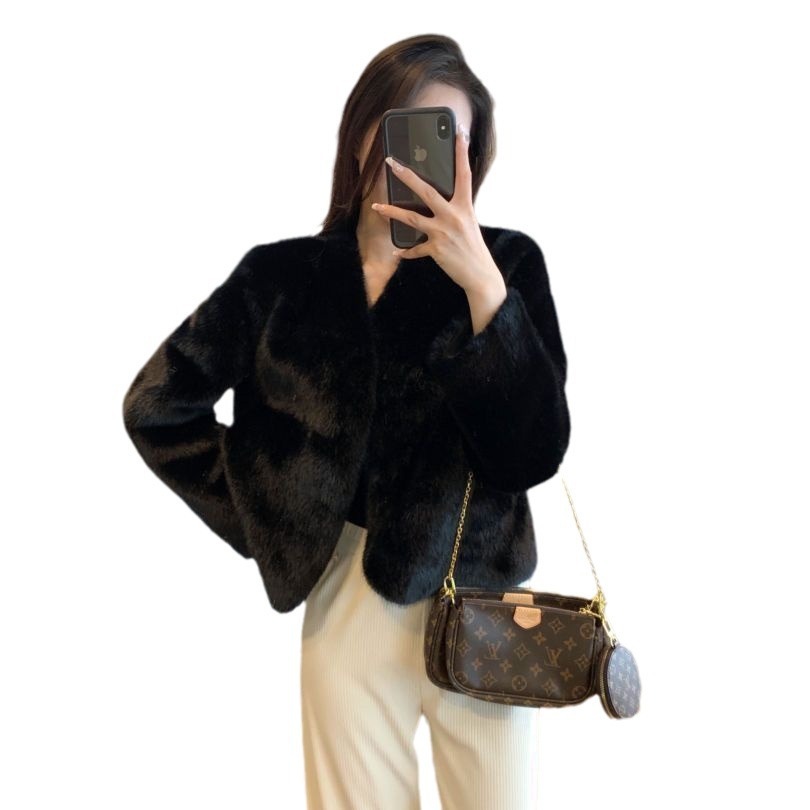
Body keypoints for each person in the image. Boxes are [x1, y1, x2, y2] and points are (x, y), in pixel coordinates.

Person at [123, 33, 570, 810]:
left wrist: (483, 290)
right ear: (363, 133)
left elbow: (532, 454)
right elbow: (157, 407)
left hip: (484, 603)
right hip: (347, 598)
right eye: (405, 126)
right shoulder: (280, 277)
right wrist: (269, 512)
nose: (424, 156)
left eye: (449, 138)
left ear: (471, 158)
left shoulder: (508, 266)